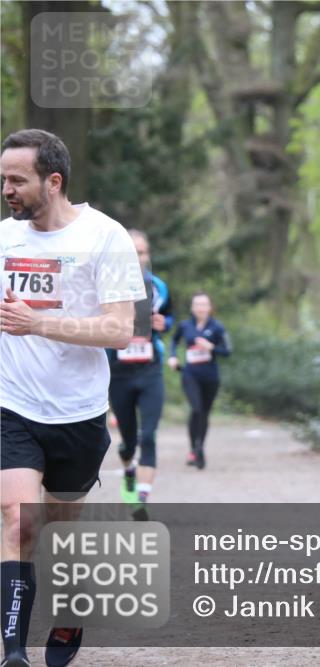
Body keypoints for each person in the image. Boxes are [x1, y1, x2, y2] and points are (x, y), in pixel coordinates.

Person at [1, 129, 146, 667]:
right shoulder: (3, 241)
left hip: (78, 412)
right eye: (3, 180)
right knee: (18, 520)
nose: (7, 190)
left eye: (17, 180)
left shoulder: (105, 238)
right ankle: (13, 649)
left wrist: (39, 324)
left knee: (61, 532)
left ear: (53, 181)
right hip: (12, 405)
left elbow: (118, 329)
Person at [105, 230, 173, 511]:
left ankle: (141, 502)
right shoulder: (108, 284)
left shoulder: (159, 286)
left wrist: (163, 323)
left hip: (149, 370)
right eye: (132, 251)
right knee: (128, 441)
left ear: (148, 255)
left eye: (142, 252)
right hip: (119, 371)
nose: (137, 257)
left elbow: (169, 317)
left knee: (149, 435)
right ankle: (129, 468)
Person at [169, 293, 230, 470]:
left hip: (211, 377)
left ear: (210, 307)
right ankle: (194, 449)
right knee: (196, 409)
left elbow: (227, 351)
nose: (200, 308)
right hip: (190, 374)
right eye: (197, 304)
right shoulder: (185, 325)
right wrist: (173, 356)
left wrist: (211, 347)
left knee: (204, 413)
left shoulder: (217, 327)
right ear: (192, 308)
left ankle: (199, 447)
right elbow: (174, 340)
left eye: (204, 304)